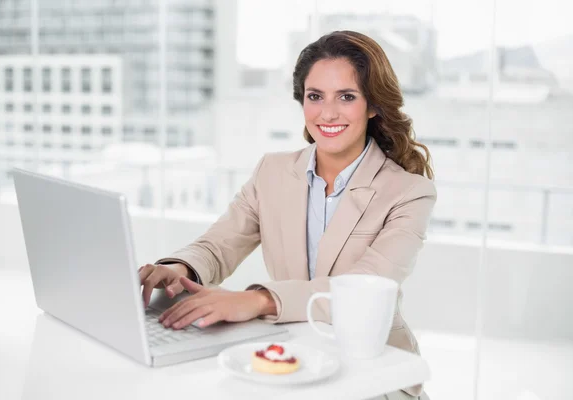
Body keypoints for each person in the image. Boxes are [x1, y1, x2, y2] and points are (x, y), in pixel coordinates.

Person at [139, 31, 436, 400]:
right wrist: (180, 269)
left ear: (373, 105)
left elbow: (362, 287)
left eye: (346, 96)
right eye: (315, 97)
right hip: (295, 359)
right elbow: (221, 243)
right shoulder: (272, 172)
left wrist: (258, 300)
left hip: (376, 375)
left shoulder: (409, 192)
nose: (327, 113)